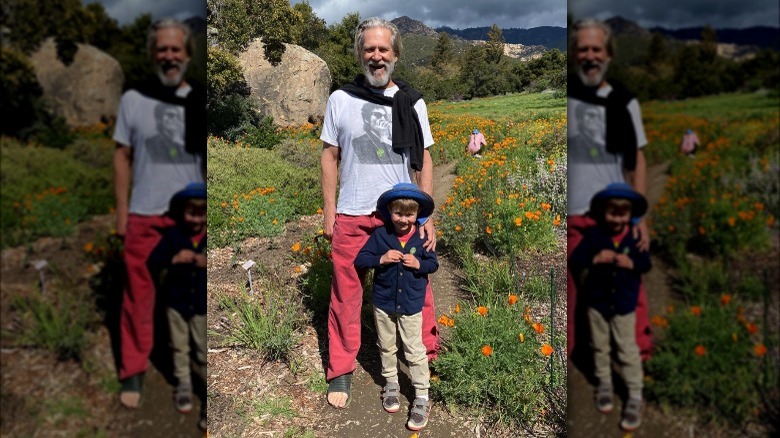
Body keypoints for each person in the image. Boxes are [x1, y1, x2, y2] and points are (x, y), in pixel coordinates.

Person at [320, 17, 439, 409]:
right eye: (369, 49)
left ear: (396, 54)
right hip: (353, 211)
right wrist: (329, 212)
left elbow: (423, 158)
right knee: (346, 294)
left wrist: (427, 216)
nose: (376, 56)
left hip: (400, 214)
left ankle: (426, 355)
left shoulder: (412, 101)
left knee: (417, 288)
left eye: (383, 49)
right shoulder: (341, 99)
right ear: (359, 54)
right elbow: (329, 156)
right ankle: (341, 369)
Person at [112, 18, 205, 409]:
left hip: (192, 215)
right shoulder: (133, 99)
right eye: (162, 49)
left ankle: (193, 371)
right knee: (138, 296)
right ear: (153, 54)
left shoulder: (197, 99)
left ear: (186, 55)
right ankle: (133, 371)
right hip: (145, 213)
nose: (169, 56)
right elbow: (122, 157)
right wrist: (121, 216)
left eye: (176, 49)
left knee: (194, 294)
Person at [567, 18, 652, 364]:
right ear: (575, 55)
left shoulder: (624, 102)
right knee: (572, 285)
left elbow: (637, 161)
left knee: (629, 275)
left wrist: (641, 214)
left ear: (608, 55)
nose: (590, 56)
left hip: (615, 212)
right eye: (583, 49)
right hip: (573, 211)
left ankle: (638, 354)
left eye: (596, 50)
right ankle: (572, 355)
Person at [354, 183, 438, 430]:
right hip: (383, 302)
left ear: (417, 214)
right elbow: (361, 259)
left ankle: (422, 395)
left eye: (409, 214)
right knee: (387, 345)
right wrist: (381, 259)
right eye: (398, 213)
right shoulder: (381, 236)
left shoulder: (422, 237)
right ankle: (391, 382)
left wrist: (418, 265)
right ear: (390, 210)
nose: (403, 219)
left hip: (411, 304)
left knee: (414, 349)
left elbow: (433, 264)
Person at [569, 183, 651, 432]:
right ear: (603, 212)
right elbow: (577, 258)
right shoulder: (594, 237)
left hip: (624, 306)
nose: (616, 217)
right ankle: (605, 383)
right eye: (611, 211)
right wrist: (594, 258)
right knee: (600, 346)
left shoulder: (634, 239)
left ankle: (634, 395)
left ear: (630, 214)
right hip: (597, 304)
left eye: (622, 212)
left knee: (627, 349)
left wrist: (631, 263)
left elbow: (646, 264)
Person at [146, 182, 207, 429]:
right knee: (179, 347)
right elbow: (153, 262)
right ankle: (183, 384)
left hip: (202, 306)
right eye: (190, 212)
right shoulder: (173, 236)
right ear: (182, 212)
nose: (195, 218)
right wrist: (172, 259)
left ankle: (206, 395)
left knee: (203, 351)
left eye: (200, 213)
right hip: (176, 304)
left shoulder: (207, 238)